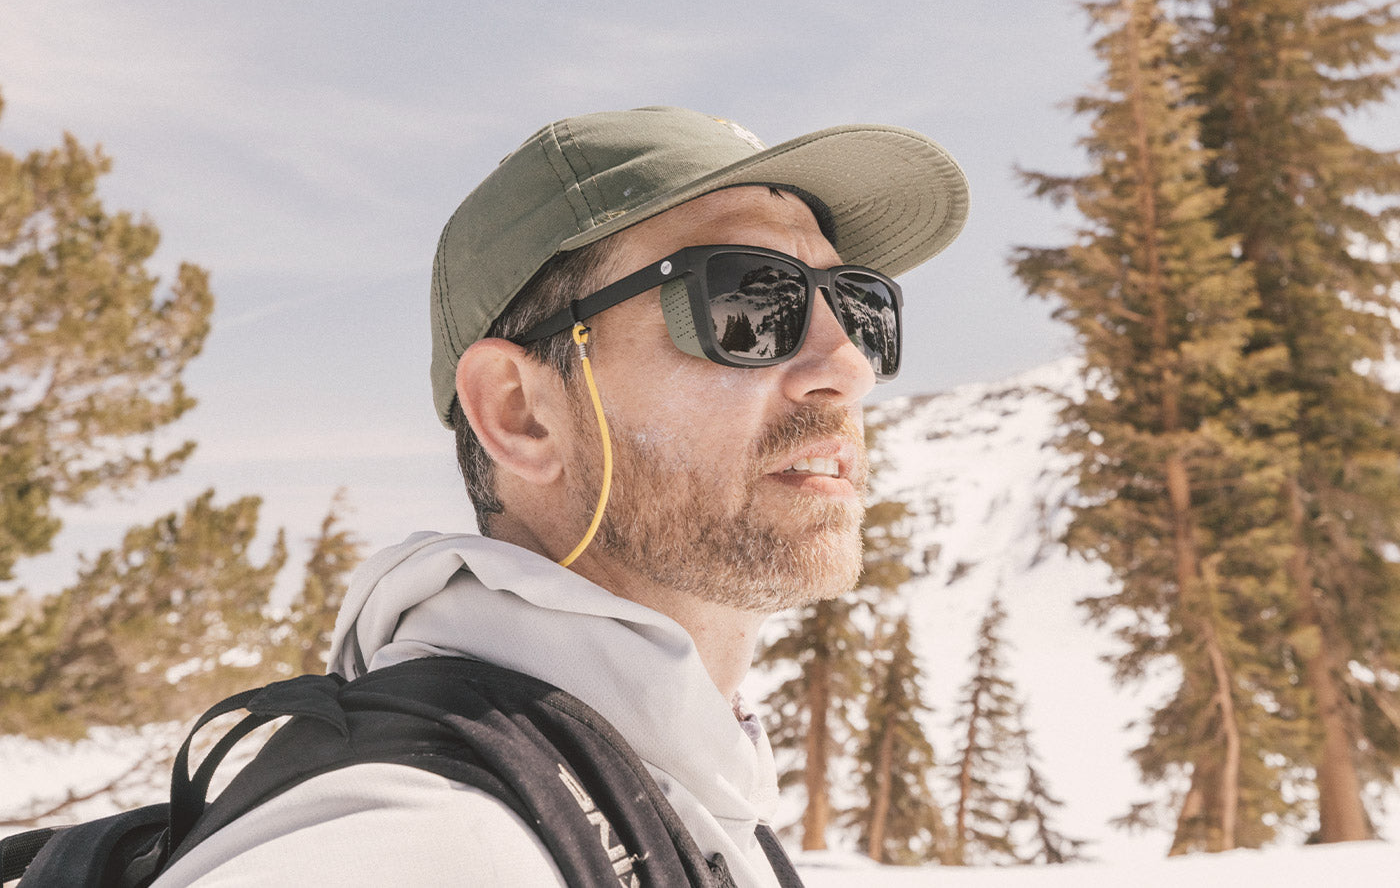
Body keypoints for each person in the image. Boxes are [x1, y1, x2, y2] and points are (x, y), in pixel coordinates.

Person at [153, 105, 968, 887]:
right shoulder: (431, 828)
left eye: (861, 306)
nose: (850, 368)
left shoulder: (675, 790)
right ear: (520, 412)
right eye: (749, 299)